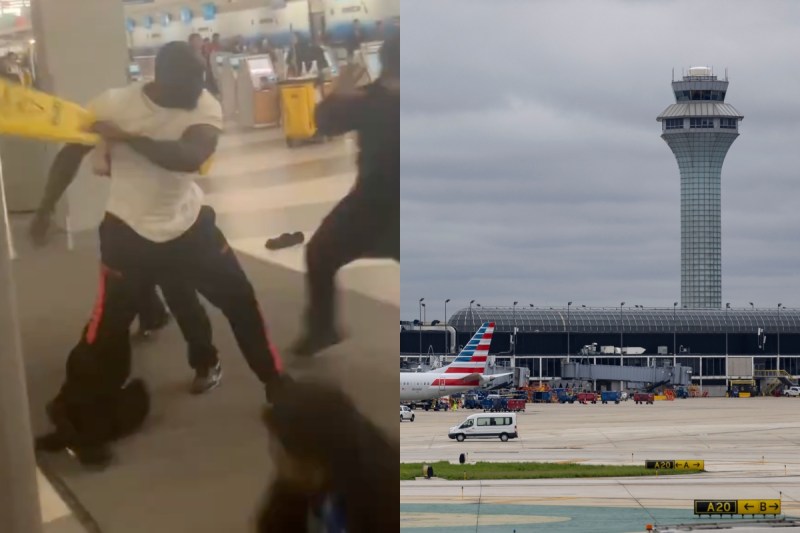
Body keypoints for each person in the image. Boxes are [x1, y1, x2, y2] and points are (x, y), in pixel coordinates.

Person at [34, 41, 285, 466]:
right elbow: (70, 152)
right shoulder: (115, 103)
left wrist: (127, 138)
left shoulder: (204, 106)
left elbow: (188, 157)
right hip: (127, 232)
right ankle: (79, 419)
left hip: (187, 228)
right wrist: (45, 208)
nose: (198, 93)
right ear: (160, 80)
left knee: (240, 300)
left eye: (201, 82)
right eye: (189, 86)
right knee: (105, 330)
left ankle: (278, 384)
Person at [291, 35, 400, 356]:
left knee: (320, 254)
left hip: (373, 205)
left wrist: (336, 95)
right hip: (387, 206)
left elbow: (324, 121)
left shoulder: (370, 99)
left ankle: (322, 328)